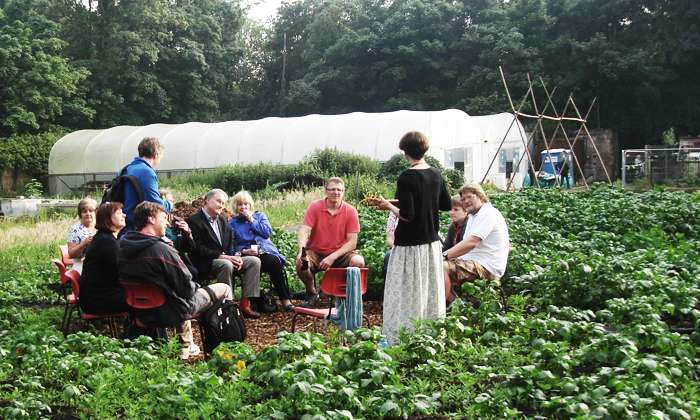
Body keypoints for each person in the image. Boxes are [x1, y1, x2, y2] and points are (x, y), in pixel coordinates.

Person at [118, 202, 233, 360]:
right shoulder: (162, 250)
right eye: (164, 218)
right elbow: (186, 289)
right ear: (151, 219)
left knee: (174, 291)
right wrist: (198, 287)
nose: (167, 223)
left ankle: (184, 345)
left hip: (140, 312)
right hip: (171, 311)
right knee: (224, 288)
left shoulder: (123, 247)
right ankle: (225, 348)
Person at [377, 132, 452, 347]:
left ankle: (400, 338)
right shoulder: (436, 173)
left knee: (403, 292)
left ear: (405, 152)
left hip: (409, 245)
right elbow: (446, 204)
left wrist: (388, 206)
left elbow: (407, 215)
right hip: (431, 243)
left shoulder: (407, 177)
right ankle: (430, 335)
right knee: (428, 290)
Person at [186, 189, 262, 319]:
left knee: (254, 261)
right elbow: (197, 249)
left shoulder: (222, 219)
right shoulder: (193, 221)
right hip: (206, 261)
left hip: (227, 258)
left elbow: (231, 240)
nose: (221, 205)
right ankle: (227, 306)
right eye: (218, 201)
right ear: (208, 200)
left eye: (223, 203)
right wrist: (222, 256)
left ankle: (244, 304)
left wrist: (237, 254)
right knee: (226, 264)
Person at [295, 177, 365, 308]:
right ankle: (312, 292)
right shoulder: (315, 207)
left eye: (339, 190)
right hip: (316, 251)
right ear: (326, 191)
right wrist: (301, 252)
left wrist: (332, 257)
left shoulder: (350, 211)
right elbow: (304, 232)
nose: (336, 193)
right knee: (301, 263)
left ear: (343, 192)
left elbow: (352, 243)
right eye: (332, 189)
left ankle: (342, 293)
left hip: (340, 253)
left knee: (358, 262)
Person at [442, 183, 510, 305]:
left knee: (441, 267)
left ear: (480, 197)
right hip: (475, 262)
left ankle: (443, 309)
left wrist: (445, 255)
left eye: (470, 197)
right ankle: (455, 304)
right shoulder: (474, 216)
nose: (466, 201)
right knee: (433, 266)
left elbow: (472, 243)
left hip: (486, 267)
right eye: (463, 199)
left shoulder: (488, 214)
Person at [228, 191, 295, 312]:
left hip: (264, 251)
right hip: (248, 254)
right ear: (235, 207)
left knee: (273, 262)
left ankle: (285, 299)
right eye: (240, 204)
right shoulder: (232, 223)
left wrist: (252, 220)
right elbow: (232, 243)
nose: (243, 207)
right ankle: (253, 302)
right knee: (253, 264)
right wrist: (244, 251)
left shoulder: (260, 216)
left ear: (250, 206)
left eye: (246, 204)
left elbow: (267, 232)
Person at [78, 202, 129, 315]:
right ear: (108, 220)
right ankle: (134, 333)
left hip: (95, 296)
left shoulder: (104, 238)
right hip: (99, 300)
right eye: (119, 213)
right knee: (144, 301)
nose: (124, 215)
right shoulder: (108, 243)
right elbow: (121, 273)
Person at [121, 136, 173, 235]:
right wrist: (169, 203)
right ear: (156, 155)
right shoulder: (147, 172)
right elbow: (155, 205)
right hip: (135, 230)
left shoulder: (124, 170)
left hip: (122, 228)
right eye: (161, 157)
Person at [159, 189, 198, 284]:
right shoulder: (157, 222)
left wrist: (187, 234)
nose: (169, 203)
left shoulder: (178, 221)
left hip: (178, 258)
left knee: (194, 272)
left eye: (171, 201)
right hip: (163, 259)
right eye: (165, 201)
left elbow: (190, 248)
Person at [66, 198, 98, 273]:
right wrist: (84, 243)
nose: (88, 214)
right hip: (81, 263)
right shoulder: (75, 229)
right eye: (84, 212)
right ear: (80, 214)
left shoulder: (101, 225)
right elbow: (72, 254)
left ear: (95, 213)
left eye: (91, 211)